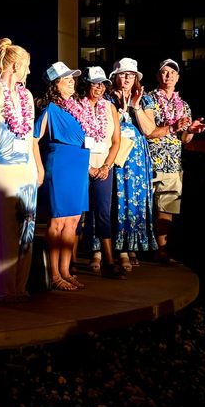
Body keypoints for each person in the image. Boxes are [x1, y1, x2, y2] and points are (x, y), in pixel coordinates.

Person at [0, 39, 42, 301]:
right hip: (4, 168)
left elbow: (29, 137)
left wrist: (37, 168)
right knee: (6, 231)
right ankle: (3, 288)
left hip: (25, 168)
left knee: (27, 229)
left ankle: (20, 285)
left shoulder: (26, 96)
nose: (28, 72)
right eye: (25, 67)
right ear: (15, 66)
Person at [35, 61, 91, 292]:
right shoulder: (50, 109)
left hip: (79, 163)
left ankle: (66, 271)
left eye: (72, 79)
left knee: (74, 220)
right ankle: (54, 273)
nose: (72, 82)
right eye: (67, 79)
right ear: (55, 84)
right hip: (60, 164)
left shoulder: (78, 108)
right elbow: (33, 138)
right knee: (58, 221)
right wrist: (38, 167)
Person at [145, 59, 205, 265]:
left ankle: (162, 250)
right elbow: (147, 131)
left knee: (167, 208)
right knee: (144, 207)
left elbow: (184, 139)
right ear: (158, 76)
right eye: (164, 72)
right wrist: (172, 126)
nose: (168, 76)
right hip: (150, 161)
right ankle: (137, 249)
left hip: (173, 163)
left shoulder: (184, 106)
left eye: (172, 72)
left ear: (178, 78)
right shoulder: (148, 100)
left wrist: (191, 131)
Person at [108, 58, 157, 272]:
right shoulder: (108, 98)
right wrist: (119, 110)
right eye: (122, 74)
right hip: (117, 154)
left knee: (136, 200)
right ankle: (121, 250)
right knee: (119, 199)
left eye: (131, 74)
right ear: (115, 77)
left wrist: (135, 107)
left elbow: (149, 130)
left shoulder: (144, 100)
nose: (127, 78)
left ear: (136, 78)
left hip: (137, 157)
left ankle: (133, 244)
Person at [78, 66, 124, 279]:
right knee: (78, 215)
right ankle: (70, 262)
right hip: (81, 165)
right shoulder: (77, 106)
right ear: (86, 84)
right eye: (94, 83)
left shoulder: (110, 107)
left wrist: (106, 166)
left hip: (104, 166)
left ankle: (109, 259)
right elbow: (75, 142)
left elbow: (116, 141)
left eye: (102, 83)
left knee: (104, 213)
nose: (99, 87)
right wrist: (89, 167)